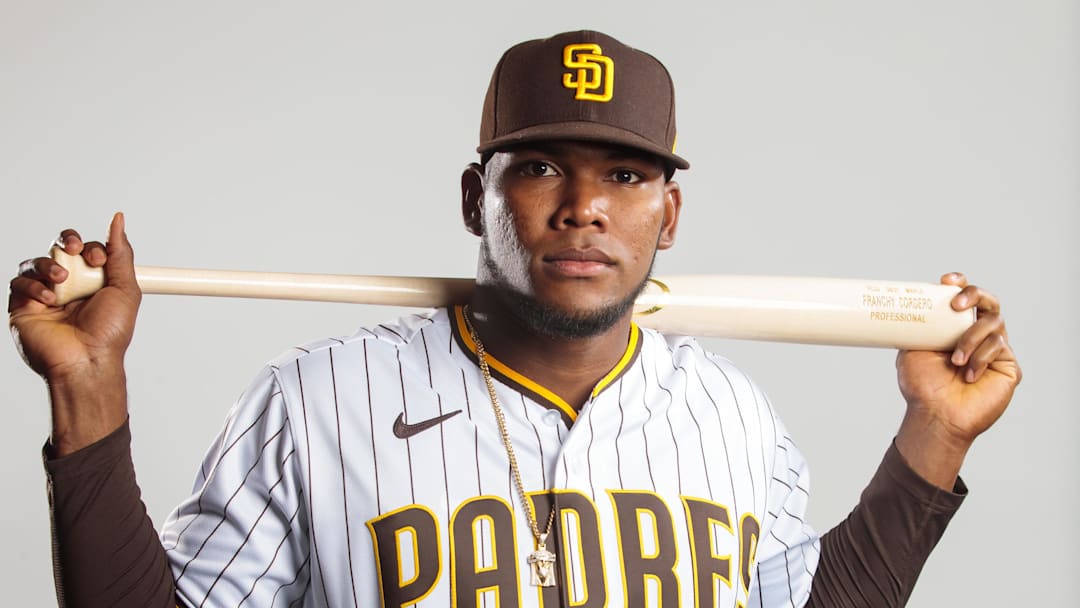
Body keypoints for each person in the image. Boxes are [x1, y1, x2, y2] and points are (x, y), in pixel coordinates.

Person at [8, 30, 1019, 607]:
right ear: (471, 200)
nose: (583, 206)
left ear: (668, 216)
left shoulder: (733, 414)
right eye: (539, 167)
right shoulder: (315, 400)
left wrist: (933, 436)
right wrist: (85, 388)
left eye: (625, 176)